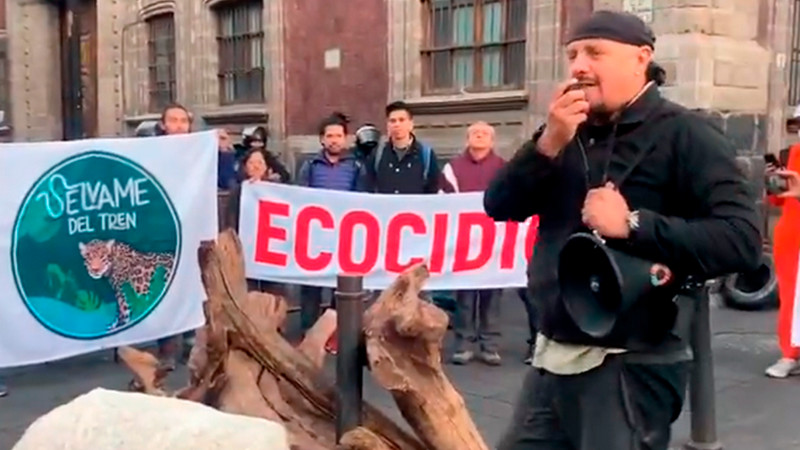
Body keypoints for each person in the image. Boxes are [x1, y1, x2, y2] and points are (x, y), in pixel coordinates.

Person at [484, 11, 761, 449]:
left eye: (595, 52)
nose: (578, 65)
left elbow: (742, 240)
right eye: (573, 54)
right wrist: (547, 145)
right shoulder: (564, 131)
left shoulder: (688, 134)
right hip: (553, 356)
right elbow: (499, 206)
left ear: (640, 58)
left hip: (632, 364)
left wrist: (634, 225)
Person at [440, 121, 506, 366]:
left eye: (485, 133)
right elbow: (443, 201)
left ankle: (489, 345)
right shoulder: (452, 168)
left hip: (495, 242)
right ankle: (464, 344)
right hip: (465, 241)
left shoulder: (503, 168)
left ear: (492, 140)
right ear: (467, 139)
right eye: (475, 133)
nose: (480, 136)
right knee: (465, 295)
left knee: (492, 294)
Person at [295, 113, 366, 336]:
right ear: (322, 140)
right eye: (329, 136)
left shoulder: (356, 165)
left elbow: (363, 197)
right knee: (311, 286)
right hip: (316, 235)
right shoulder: (309, 166)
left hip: (345, 235)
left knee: (342, 286)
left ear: (345, 139)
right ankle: (309, 330)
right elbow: (298, 197)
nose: (334, 140)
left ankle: (338, 331)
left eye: (338, 135)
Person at [764, 114, 800, 378]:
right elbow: (779, 201)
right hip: (791, 235)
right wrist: (773, 184)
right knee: (790, 296)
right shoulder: (794, 153)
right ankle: (789, 353)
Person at [362, 101, 441, 194]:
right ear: (388, 125)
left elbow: (434, 190)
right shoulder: (377, 155)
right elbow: (367, 187)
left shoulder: (426, 155)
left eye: (402, 120)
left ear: (411, 124)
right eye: (393, 121)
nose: (397, 125)